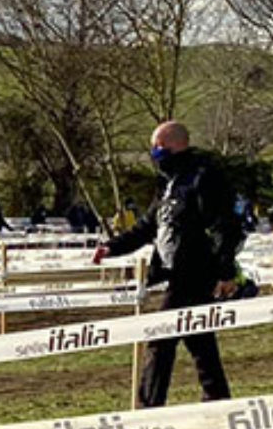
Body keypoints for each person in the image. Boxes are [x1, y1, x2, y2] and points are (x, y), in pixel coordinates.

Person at [92, 120, 245, 409]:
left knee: (161, 336)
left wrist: (225, 271)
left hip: (196, 271)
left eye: (159, 146)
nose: (155, 152)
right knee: (198, 338)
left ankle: (149, 406)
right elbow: (149, 226)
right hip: (174, 271)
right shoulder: (167, 184)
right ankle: (218, 399)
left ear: (177, 145)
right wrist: (112, 248)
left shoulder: (203, 177)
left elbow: (225, 226)